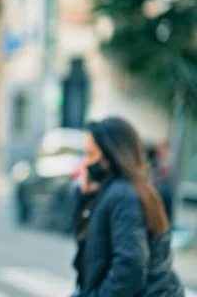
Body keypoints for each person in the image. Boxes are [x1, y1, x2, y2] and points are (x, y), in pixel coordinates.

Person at [71, 117, 184, 297]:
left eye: (91, 155)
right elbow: (89, 255)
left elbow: (130, 266)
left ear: (111, 156)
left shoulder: (123, 195)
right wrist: (87, 198)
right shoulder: (122, 190)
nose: (85, 163)